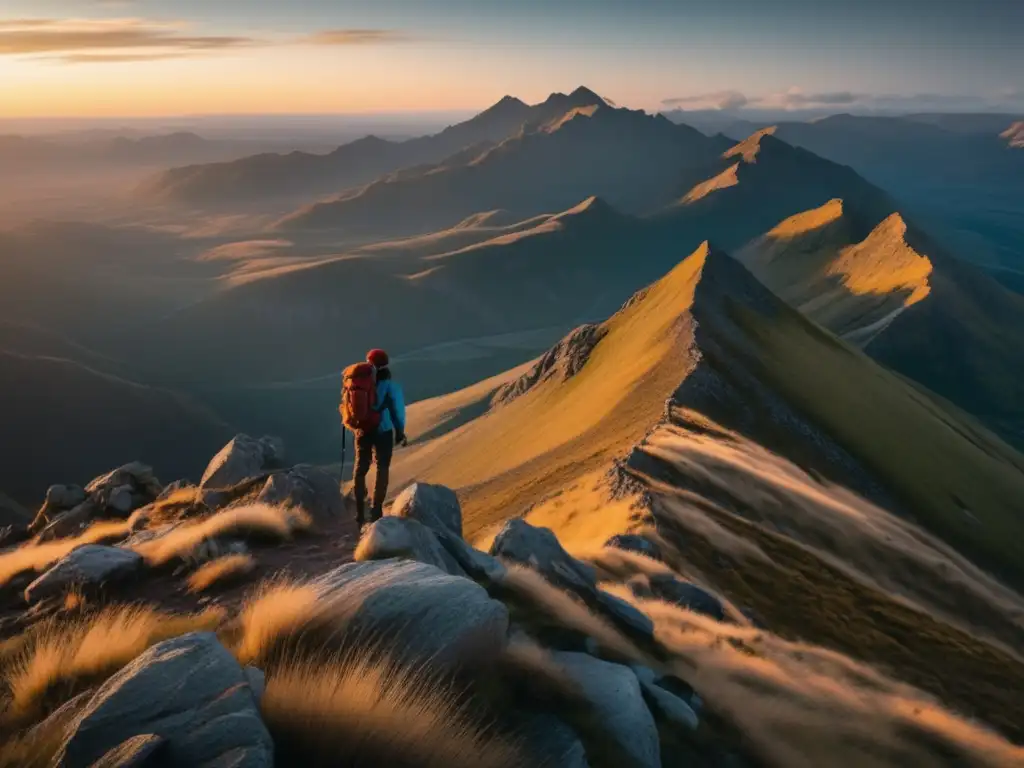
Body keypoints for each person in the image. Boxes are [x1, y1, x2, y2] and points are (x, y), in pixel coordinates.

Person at [351, 348, 406, 527]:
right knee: (382, 468)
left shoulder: (358, 383)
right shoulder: (389, 386)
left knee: (360, 469)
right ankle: (376, 510)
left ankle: (359, 512)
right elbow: (397, 411)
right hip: (383, 431)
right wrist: (400, 432)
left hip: (362, 430)